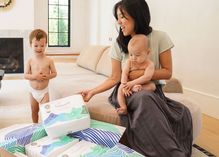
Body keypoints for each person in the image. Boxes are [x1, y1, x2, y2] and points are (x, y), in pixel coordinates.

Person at [80, 0, 193, 156]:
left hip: (151, 89)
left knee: (182, 111)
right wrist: (92, 92)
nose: (118, 22)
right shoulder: (118, 44)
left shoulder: (160, 37)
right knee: (144, 98)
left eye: (122, 17)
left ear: (136, 15)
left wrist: (142, 75)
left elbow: (167, 72)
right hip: (126, 90)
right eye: (117, 17)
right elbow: (115, 78)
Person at [117, 34, 156, 115]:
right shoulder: (129, 62)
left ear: (147, 53)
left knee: (153, 86)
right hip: (128, 82)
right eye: (131, 54)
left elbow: (147, 77)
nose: (133, 58)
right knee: (120, 88)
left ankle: (136, 88)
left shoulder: (149, 64)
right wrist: (124, 85)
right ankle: (123, 107)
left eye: (137, 55)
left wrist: (132, 84)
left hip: (143, 84)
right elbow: (124, 73)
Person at [24, 29, 57, 123]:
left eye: (42, 45)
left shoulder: (49, 60)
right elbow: (26, 75)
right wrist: (35, 77)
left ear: (46, 44)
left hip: (44, 92)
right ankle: (34, 127)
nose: (39, 48)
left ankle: (47, 127)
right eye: (36, 45)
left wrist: (48, 76)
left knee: (46, 112)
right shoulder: (30, 61)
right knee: (34, 111)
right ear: (30, 45)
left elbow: (54, 73)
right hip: (33, 91)